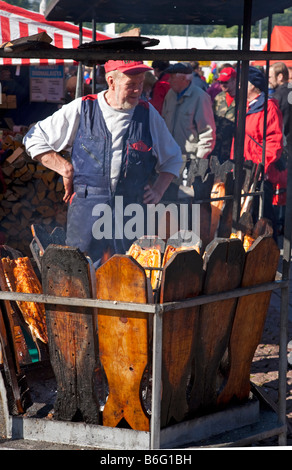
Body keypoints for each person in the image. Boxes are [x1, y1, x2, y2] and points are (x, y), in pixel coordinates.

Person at [23, 60, 182, 268]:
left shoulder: (148, 113)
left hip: (130, 210)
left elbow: (173, 157)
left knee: (131, 272)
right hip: (87, 208)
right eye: (131, 84)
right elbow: (33, 138)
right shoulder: (83, 107)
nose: (138, 90)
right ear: (111, 81)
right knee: (80, 271)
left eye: (141, 83)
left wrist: (159, 190)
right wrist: (65, 168)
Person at [231, 66, 286, 237]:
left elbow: (273, 142)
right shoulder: (246, 107)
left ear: (253, 85)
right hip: (245, 170)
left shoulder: (268, 107)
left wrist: (262, 168)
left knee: (262, 221)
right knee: (244, 217)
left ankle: (267, 258)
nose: (238, 85)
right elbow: (239, 140)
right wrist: (235, 165)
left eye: (242, 82)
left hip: (261, 174)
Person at [162, 62, 216, 188]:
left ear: (183, 79)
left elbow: (207, 132)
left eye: (172, 77)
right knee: (171, 200)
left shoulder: (200, 97)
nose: (168, 80)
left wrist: (199, 160)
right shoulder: (170, 94)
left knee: (188, 200)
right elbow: (164, 122)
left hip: (191, 160)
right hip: (170, 158)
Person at [268, 62, 291, 231]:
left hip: (284, 147)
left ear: (280, 76)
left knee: (281, 190)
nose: (269, 80)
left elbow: (278, 127)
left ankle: (281, 224)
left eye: (270, 76)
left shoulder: (277, 97)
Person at [212, 66, 237, 163]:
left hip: (233, 148)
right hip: (218, 147)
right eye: (220, 82)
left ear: (234, 81)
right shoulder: (218, 98)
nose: (222, 84)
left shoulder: (243, 98)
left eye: (225, 82)